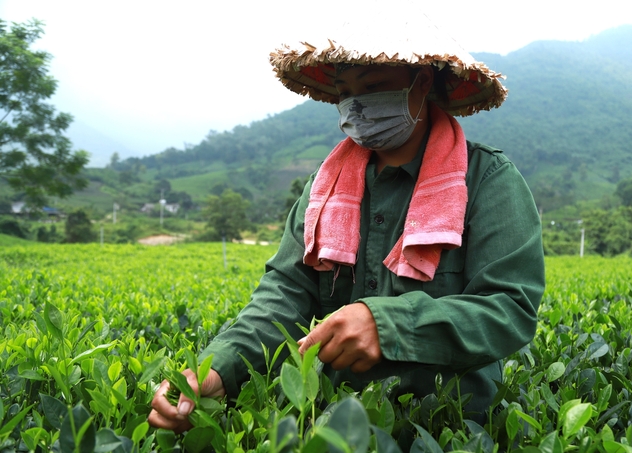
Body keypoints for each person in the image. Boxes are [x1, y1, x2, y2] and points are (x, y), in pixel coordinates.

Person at [148, 18, 545, 433]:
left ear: (422, 82)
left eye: (372, 87)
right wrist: (217, 370)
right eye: (345, 93)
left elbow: (509, 309)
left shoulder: (488, 180)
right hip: (329, 424)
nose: (356, 106)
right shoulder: (325, 188)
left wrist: (387, 323)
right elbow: (284, 295)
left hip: (447, 427)